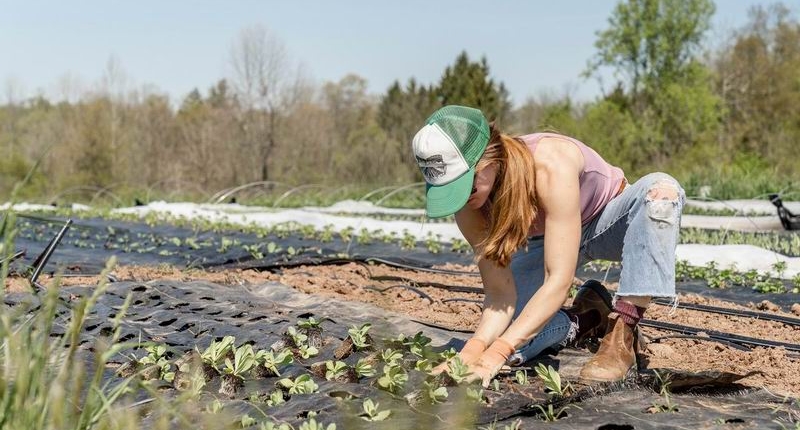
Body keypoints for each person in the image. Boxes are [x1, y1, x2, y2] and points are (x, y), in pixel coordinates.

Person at [413, 105, 685, 386]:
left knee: (661, 194)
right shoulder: (469, 206)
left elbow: (558, 280)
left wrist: (496, 353)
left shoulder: (549, 163)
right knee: (515, 338)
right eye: (450, 190)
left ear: (490, 158)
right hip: (549, 239)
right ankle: (586, 317)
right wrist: (474, 350)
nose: (462, 199)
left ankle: (622, 334)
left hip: (607, 222)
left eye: (465, 186)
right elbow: (499, 295)